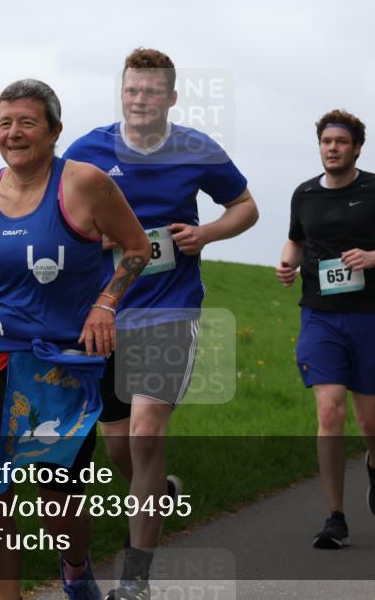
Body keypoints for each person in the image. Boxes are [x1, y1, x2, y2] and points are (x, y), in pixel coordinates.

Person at [0, 79, 150, 600]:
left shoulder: (84, 184)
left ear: (54, 131)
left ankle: (76, 565)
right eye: (4, 122)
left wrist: (105, 304)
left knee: (56, 502)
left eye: (27, 122)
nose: (13, 133)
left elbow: (136, 248)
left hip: (67, 362)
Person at [63, 48, 258, 599]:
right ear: (120, 93)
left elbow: (246, 206)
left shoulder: (196, 148)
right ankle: (158, 494)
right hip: (104, 313)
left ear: (171, 98)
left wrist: (208, 234)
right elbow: (61, 216)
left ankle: (136, 579)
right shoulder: (89, 150)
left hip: (170, 308)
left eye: (151, 92)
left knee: (148, 432)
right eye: (131, 90)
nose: (139, 100)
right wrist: (93, 236)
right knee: (120, 448)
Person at [277, 109, 375, 549]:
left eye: (341, 142)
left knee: (368, 420)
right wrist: (287, 264)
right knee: (329, 412)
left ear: (357, 147)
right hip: (320, 316)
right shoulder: (304, 194)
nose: (332, 148)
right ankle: (335, 516)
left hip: (372, 318)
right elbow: (295, 239)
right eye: (326, 141)